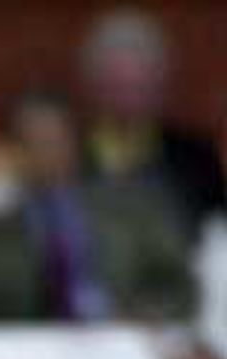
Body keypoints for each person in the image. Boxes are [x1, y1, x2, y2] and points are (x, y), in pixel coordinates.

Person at [0, 90, 196, 324]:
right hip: (33, 355)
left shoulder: (133, 213)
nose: (45, 153)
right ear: (17, 151)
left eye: (54, 141)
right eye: (33, 143)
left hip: (123, 346)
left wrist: (144, 315)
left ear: (75, 144)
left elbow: (181, 290)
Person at [78, 9, 226, 243]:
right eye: (117, 85)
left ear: (160, 87)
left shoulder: (197, 157)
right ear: (94, 87)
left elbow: (218, 234)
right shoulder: (69, 156)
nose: (128, 99)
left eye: (138, 86)